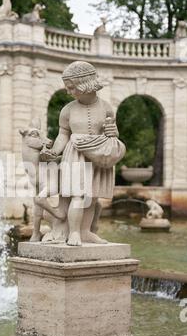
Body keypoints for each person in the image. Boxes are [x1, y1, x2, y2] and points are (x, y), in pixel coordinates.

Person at [42, 61, 125, 246]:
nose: (68, 91)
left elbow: (112, 133)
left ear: (85, 83)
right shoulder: (67, 110)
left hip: (99, 153)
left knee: (92, 197)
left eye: (71, 87)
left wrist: (114, 133)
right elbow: (63, 135)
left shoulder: (106, 108)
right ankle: (73, 233)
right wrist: (54, 151)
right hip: (75, 153)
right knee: (78, 195)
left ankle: (86, 232)